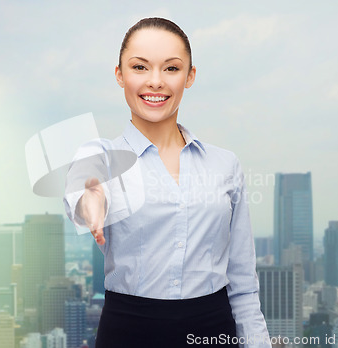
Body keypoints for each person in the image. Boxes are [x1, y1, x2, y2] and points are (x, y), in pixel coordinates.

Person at [64, 17, 271, 348]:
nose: (155, 82)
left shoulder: (224, 164)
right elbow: (82, 186)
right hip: (128, 333)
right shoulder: (101, 154)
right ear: (120, 74)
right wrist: (91, 199)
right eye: (140, 67)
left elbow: (243, 283)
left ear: (189, 76)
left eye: (171, 69)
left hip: (213, 331)